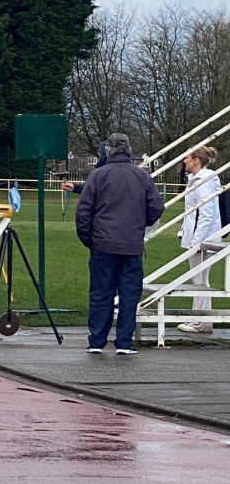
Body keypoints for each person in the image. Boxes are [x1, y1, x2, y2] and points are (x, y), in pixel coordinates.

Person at [76, 133, 165, 355]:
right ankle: (124, 342)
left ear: (108, 152)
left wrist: (90, 239)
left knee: (101, 293)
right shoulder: (142, 176)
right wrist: (139, 225)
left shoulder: (97, 176)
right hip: (131, 245)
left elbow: (83, 212)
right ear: (129, 151)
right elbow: (156, 208)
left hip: (103, 244)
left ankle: (97, 341)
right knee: (129, 294)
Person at [177, 146, 222, 334]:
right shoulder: (198, 179)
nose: (184, 161)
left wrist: (196, 242)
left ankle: (202, 321)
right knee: (199, 279)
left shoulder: (202, 181)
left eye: (187, 157)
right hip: (199, 235)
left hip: (203, 237)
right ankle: (198, 318)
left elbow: (205, 214)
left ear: (196, 160)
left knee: (200, 280)